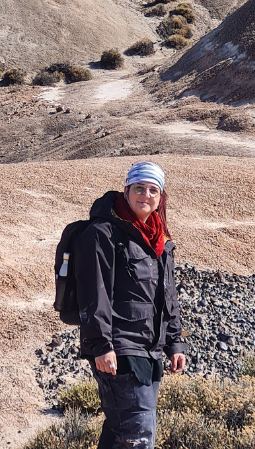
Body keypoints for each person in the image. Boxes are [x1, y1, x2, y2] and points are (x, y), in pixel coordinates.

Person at [75, 161, 186, 449]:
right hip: (119, 348)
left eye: (153, 190)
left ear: (160, 197)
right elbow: (93, 292)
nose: (145, 195)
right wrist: (101, 345)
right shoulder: (102, 234)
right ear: (126, 190)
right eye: (139, 188)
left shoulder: (160, 240)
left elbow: (167, 295)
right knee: (139, 435)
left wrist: (174, 343)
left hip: (150, 350)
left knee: (120, 432)